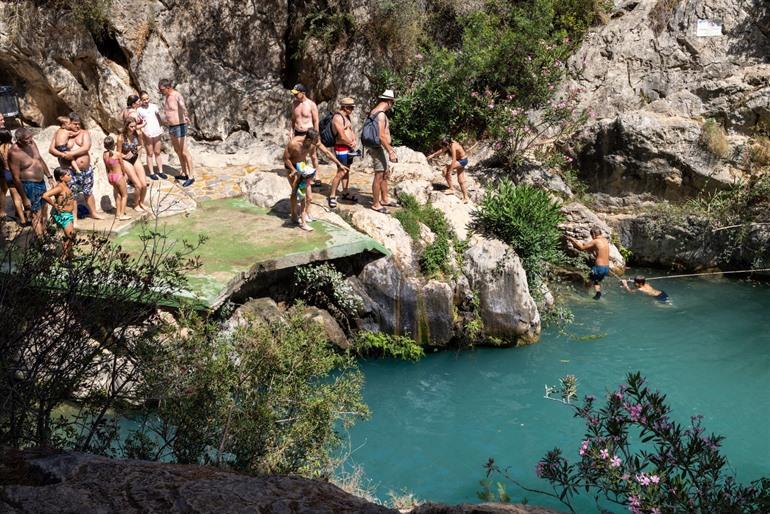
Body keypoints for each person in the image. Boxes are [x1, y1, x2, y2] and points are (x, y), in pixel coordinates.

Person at [283, 128, 348, 231]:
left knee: (309, 197)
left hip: (302, 167)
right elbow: (285, 159)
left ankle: (304, 215)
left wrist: (339, 164)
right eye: (316, 141)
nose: (318, 143)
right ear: (308, 139)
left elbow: (327, 152)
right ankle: (297, 219)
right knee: (299, 194)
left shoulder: (314, 143)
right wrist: (292, 170)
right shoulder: (294, 143)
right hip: (292, 169)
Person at [7, 127, 52, 236]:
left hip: (41, 181)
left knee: (45, 208)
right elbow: (15, 178)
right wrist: (24, 198)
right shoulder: (14, 153)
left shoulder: (32, 143)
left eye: (31, 137)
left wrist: (49, 176)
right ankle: (41, 241)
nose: (30, 140)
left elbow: (39, 159)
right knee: (35, 213)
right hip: (29, 185)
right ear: (19, 140)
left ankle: (45, 233)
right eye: (27, 138)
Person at [61, 113, 104, 220]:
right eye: (75, 124)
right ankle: (74, 218)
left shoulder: (84, 133)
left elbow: (86, 147)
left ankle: (93, 213)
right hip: (70, 171)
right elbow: (54, 149)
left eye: (79, 124)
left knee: (88, 192)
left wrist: (71, 153)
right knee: (73, 195)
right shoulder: (63, 134)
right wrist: (63, 155)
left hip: (86, 169)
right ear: (69, 123)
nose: (77, 126)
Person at [367, 90, 398, 213]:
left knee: (384, 173)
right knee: (379, 174)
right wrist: (390, 151)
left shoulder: (374, 112)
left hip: (377, 147)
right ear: (389, 102)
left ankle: (385, 199)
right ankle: (376, 204)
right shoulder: (380, 115)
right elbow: (381, 135)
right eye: (392, 102)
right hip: (378, 147)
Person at [158, 78, 194, 187]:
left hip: (180, 126)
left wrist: (186, 115)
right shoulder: (167, 97)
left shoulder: (176, 95)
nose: (161, 91)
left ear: (168, 87)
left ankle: (191, 176)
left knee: (184, 152)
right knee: (177, 151)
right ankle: (184, 173)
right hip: (172, 127)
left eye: (162, 89)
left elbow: (182, 106)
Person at [327, 97, 359, 208]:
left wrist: (353, 140)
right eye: (351, 107)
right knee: (341, 171)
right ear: (345, 107)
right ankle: (332, 195)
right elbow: (341, 135)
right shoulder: (337, 117)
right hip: (341, 148)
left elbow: (350, 130)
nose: (352, 109)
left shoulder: (346, 116)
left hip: (348, 147)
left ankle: (345, 192)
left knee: (347, 171)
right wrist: (350, 142)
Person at [42, 167, 77, 259]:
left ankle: (71, 255)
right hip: (64, 215)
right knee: (70, 237)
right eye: (68, 175)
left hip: (68, 214)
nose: (70, 176)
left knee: (69, 236)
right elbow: (45, 195)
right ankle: (63, 258)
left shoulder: (66, 185)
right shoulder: (59, 187)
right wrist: (55, 205)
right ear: (61, 177)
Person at [567, 227, 610, 300]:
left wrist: (572, 240)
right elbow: (600, 252)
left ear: (593, 234)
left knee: (589, 280)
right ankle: (598, 293)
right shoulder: (605, 240)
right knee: (596, 280)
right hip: (606, 267)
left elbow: (582, 248)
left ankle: (584, 295)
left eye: (592, 236)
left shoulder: (596, 241)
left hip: (599, 267)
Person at [116, 119, 149, 212]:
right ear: (126, 126)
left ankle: (141, 202)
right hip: (125, 159)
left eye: (134, 126)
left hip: (134, 158)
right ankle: (135, 204)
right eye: (131, 126)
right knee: (138, 185)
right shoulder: (120, 138)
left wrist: (133, 151)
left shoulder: (137, 134)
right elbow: (118, 153)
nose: (133, 128)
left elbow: (140, 145)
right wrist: (125, 155)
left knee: (144, 185)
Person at [427, 136, 470, 203]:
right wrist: (432, 155)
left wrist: (450, 170)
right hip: (462, 160)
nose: (444, 146)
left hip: (462, 160)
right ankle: (466, 198)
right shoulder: (449, 144)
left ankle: (452, 189)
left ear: (447, 143)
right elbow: (442, 150)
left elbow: (454, 159)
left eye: (445, 145)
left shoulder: (453, 145)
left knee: (445, 170)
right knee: (460, 180)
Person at [137, 90, 167, 180]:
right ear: (141, 100)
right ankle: (151, 172)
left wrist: (161, 126)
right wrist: (143, 132)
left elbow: (158, 117)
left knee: (157, 152)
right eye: (144, 99)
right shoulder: (139, 110)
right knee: (149, 153)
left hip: (156, 131)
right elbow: (139, 122)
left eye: (147, 98)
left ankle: (160, 171)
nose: (146, 101)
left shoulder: (154, 106)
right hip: (147, 132)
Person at [0, 129, 26, 224]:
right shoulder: (13, 147)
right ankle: (27, 216)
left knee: (15, 196)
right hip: (16, 173)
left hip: (6, 173)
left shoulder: (0, 148)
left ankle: (22, 219)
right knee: (23, 194)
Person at [102, 136, 131, 221]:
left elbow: (106, 166)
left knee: (118, 195)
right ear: (114, 145)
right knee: (125, 195)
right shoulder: (117, 154)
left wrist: (108, 175)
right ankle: (122, 215)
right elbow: (122, 165)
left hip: (111, 176)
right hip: (118, 176)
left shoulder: (104, 154)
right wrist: (124, 175)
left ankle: (117, 214)